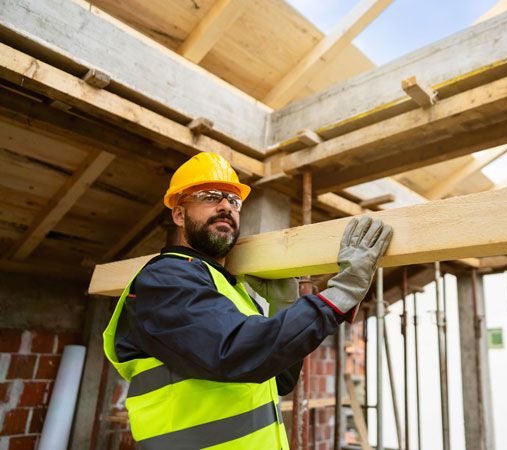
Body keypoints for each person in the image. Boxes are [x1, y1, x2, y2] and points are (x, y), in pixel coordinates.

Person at [103, 152, 393, 449]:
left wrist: (282, 307)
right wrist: (341, 295)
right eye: (209, 196)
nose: (225, 206)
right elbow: (234, 353)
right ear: (179, 214)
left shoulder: (228, 292)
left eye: (233, 201)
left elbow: (278, 379)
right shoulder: (165, 279)